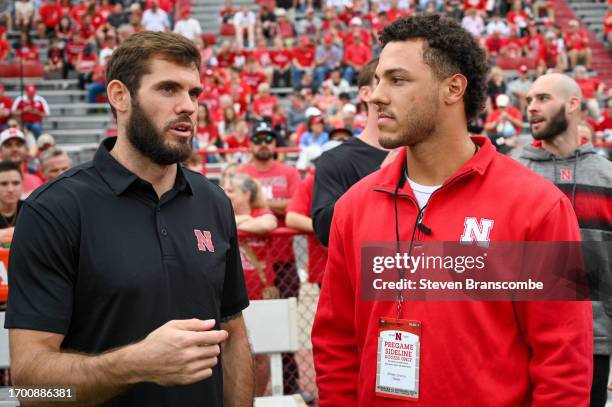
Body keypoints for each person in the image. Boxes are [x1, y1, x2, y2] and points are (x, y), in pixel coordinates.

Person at [312, 15, 593, 406]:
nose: (375, 96)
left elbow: (563, 361)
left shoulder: (538, 207)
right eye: (377, 80)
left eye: (397, 80)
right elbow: (336, 344)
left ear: (453, 88)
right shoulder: (354, 208)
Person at [5, 32, 254, 406]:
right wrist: (132, 365)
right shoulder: (54, 209)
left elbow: (232, 332)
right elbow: (30, 388)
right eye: (168, 89)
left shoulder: (213, 201)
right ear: (120, 96)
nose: (187, 106)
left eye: (195, 93)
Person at [518, 73, 612, 407]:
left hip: (593, 341)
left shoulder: (607, 178)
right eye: (529, 100)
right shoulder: (512, 174)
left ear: (573, 105)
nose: (531, 108)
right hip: (518, 339)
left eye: (543, 99)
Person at [236, 121, 303, 396]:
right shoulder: (241, 173)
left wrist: (259, 204)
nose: (263, 143)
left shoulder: (288, 171)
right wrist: (276, 206)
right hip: (248, 264)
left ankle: (289, 386)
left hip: (282, 261)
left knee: (283, 325)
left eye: (268, 138)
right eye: (258, 138)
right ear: (250, 144)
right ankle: (246, 390)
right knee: (245, 329)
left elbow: (295, 205)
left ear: (274, 144)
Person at [312, 58, 388, 247]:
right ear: (365, 93)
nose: (394, 92)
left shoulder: (424, 155)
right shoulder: (336, 159)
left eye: (401, 82)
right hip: (371, 270)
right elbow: (325, 230)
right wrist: (383, 175)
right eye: (384, 82)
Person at [0, 127, 43, 197]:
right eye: (8, 145)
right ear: (0, 151)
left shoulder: (37, 177)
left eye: (19, 144)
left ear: (26, 149)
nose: (14, 149)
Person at [0, 161, 24, 242]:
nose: (10, 189)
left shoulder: (30, 209)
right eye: (4, 184)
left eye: (16, 183)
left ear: (22, 184)